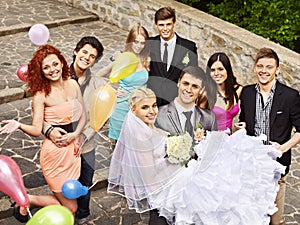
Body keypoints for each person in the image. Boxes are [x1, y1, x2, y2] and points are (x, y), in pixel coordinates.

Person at [108, 86, 285, 225]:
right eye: (145, 107)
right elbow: (149, 178)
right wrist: (177, 160)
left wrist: (181, 150)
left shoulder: (149, 128)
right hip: (170, 187)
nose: (152, 111)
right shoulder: (140, 138)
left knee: (223, 172)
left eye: (154, 105)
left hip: (178, 174)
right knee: (219, 191)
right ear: (133, 110)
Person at [0, 45, 86, 223]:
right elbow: (36, 130)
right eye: (46, 67)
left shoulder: (73, 84)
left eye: (55, 64)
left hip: (73, 152)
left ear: (62, 63)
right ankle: (29, 199)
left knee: (69, 204)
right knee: (71, 208)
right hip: (54, 155)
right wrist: (19, 125)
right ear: (41, 72)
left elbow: (84, 116)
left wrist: (76, 134)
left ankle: (29, 200)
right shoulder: (41, 94)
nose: (52, 70)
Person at [43, 36, 105, 224]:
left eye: (92, 56)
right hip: (60, 148)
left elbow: (100, 117)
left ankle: (82, 217)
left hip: (85, 147)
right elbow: (39, 114)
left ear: (95, 60)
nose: (87, 57)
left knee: (84, 184)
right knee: (62, 189)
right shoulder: (55, 74)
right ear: (76, 51)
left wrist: (83, 136)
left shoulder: (98, 84)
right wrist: (49, 130)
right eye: (84, 52)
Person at [235, 47, 300, 225]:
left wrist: (284, 147)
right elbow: (245, 120)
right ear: (255, 68)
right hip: (251, 164)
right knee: (251, 215)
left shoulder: (290, 96)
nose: (264, 71)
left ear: (277, 69)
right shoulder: (247, 93)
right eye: (260, 66)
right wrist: (243, 126)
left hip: (276, 166)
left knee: (274, 220)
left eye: (269, 67)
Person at [150, 65, 217, 225]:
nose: (189, 89)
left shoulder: (209, 118)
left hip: (195, 196)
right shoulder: (158, 114)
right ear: (178, 83)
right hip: (164, 190)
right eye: (186, 83)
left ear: (201, 90)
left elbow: (213, 154)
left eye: (195, 86)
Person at [147, 6, 198, 107]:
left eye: (168, 24)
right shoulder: (149, 44)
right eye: (161, 25)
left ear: (174, 23)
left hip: (177, 104)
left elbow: (193, 76)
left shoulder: (189, 47)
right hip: (152, 104)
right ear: (156, 25)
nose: (165, 29)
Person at [108, 24, 150, 140]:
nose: (139, 46)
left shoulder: (147, 59)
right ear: (130, 41)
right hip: (121, 106)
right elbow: (99, 75)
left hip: (139, 108)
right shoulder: (122, 58)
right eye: (136, 42)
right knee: (119, 146)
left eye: (142, 43)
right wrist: (112, 90)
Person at [207, 52, 242, 134]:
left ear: (227, 70)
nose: (216, 73)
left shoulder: (237, 90)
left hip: (229, 142)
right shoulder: (204, 93)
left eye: (220, 69)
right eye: (212, 70)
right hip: (210, 141)